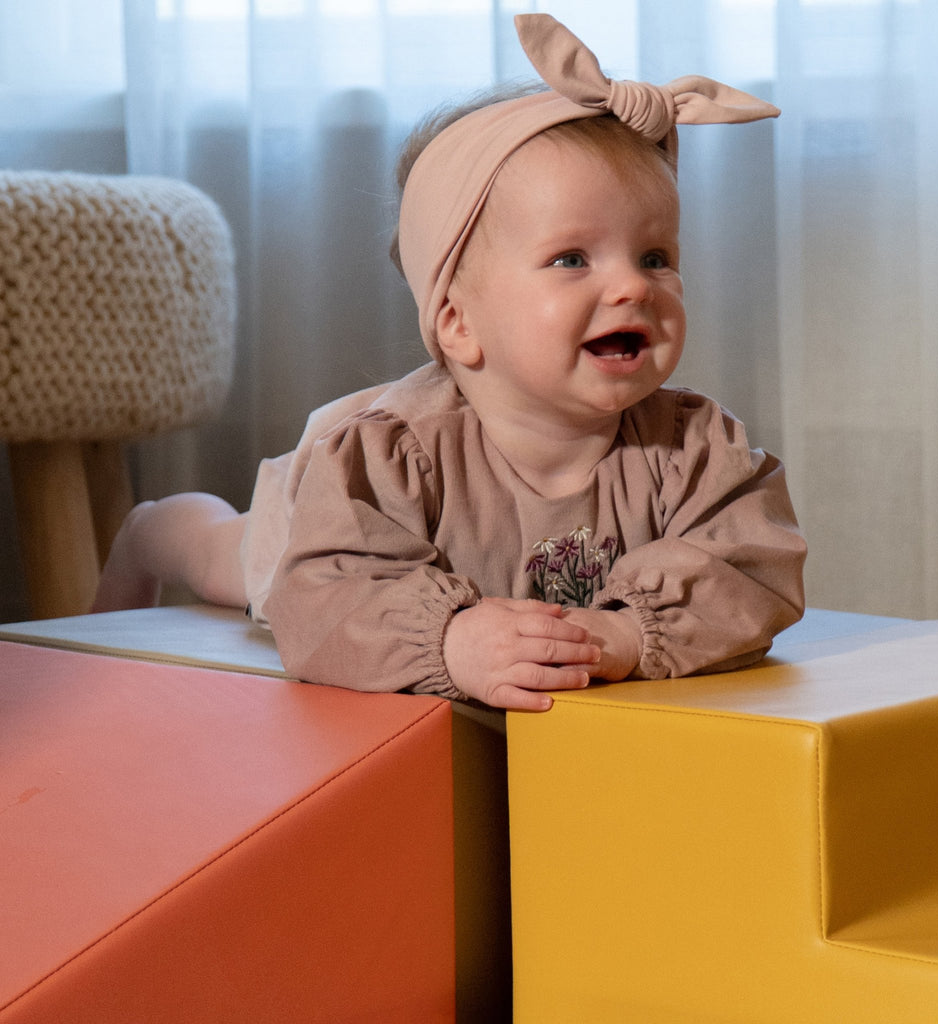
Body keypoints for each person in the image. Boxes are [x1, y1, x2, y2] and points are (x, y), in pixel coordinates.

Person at [92, 13, 807, 712]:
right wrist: (450, 639)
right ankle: (153, 530)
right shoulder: (388, 457)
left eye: (655, 258)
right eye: (571, 259)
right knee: (233, 560)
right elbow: (329, 595)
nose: (631, 286)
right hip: (314, 524)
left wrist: (627, 630)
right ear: (459, 324)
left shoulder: (692, 446)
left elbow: (749, 563)